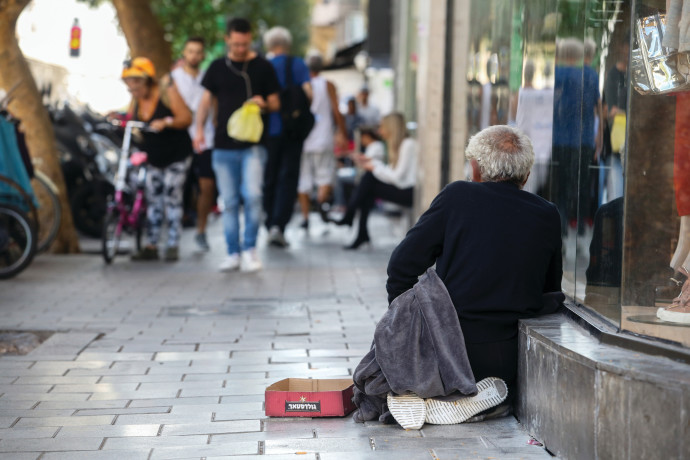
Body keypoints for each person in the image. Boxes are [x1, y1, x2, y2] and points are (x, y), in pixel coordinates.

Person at [385, 125, 564, 406]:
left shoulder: (458, 196)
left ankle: (447, 393)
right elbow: (551, 289)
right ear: (526, 176)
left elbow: (401, 266)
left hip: (448, 352)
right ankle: (480, 399)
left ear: (475, 169)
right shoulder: (548, 213)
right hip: (509, 357)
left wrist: (402, 325)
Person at [193, 18, 281, 272]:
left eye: (245, 44)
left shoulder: (263, 67)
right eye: (236, 44)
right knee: (228, 202)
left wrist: (263, 103)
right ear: (227, 40)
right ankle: (232, 253)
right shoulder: (217, 67)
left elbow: (276, 103)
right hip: (222, 146)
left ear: (250, 39)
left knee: (253, 196)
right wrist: (199, 129)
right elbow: (205, 101)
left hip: (254, 145)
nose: (241, 48)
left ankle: (250, 250)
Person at [122, 57, 193, 262]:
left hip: (176, 155)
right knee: (153, 199)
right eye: (129, 81)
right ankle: (151, 245)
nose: (132, 86)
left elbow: (186, 118)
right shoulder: (135, 99)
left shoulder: (166, 92)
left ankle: (173, 245)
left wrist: (167, 122)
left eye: (136, 80)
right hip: (154, 157)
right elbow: (131, 120)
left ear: (148, 80)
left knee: (172, 197)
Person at [332, 113, 416, 250]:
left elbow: (397, 177)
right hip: (401, 188)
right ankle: (360, 231)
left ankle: (350, 216)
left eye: (382, 126)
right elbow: (391, 171)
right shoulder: (399, 145)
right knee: (367, 188)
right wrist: (373, 164)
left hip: (408, 192)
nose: (379, 131)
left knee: (369, 179)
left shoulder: (408, 144)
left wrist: (373, 167)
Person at [262, 26, 311, 248]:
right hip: (293, 131)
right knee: (288, 177)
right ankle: (278, 226)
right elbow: (309, 93)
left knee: (269, 176)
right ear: (287, 43)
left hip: (270, 131)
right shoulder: (298, 64)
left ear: (269, 44)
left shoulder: (265, 66)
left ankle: (269, 219)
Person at [171, 36, 217, 252]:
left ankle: (201, 230)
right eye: (191, 51)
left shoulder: (209, 77)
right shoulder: (173, 78)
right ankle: (174, 233)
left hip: (206, 139)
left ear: (203, 54)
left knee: (207, 186)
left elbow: (214, 105)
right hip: (180, 138)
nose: (194, 55)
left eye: (199, 51)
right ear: (184, 53)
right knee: (179, 187)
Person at [297, 54, 347, 230]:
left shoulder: (302, 84)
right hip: (323, 137)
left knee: (303, 179)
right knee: (325, 176)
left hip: (303, 139)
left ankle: (305, 217)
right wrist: (342, 132)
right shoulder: (327, 85)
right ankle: (319, 203)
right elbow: (336, 111)